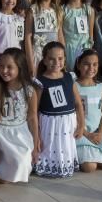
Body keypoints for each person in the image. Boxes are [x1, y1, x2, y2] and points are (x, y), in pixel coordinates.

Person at [0, 47, 38, 183]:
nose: (4, 71)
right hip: (0, 134)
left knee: (22, 161)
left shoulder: (29, 90)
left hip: (20, 133)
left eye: (10, 67)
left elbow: (32, 117)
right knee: (2, 176)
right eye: (1, 66)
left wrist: (36, 140)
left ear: (20, 67)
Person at [33, 42, 83, 178]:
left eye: (60, 58)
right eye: (51, 59)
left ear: (65, 59)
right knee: (49, 146)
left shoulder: (69, 77)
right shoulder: (40, 81)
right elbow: (34, 110)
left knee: (65, 146)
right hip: (49, 123)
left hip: (67, 122)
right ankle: (47, 166)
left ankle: (64, 165)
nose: (56, 62)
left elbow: (78, 103)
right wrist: (36, 136)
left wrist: (81, 125)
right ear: (44, 60)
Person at [73, 50, 102, 172]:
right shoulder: (74, 86)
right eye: (86, 64)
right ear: (78, 65)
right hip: (82, 132)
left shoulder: (100, 86)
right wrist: (87, 134)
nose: (91, 68)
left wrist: (101, 132)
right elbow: (72, 115)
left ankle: (96, 152)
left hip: (98, 133)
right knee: (90, 167)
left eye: (95, 64)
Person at [26, 0, 64, 72]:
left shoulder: (57, 10)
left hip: (55, 56)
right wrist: (30, 64)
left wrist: (63, 57)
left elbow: (60, 36)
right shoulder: (33, 9)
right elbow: (28, 37)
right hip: (38, 55)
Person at [62, 0, 94, 70]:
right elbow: (60, 34)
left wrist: (89, 50)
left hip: (84, 48)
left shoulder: (89, 10)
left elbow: (90, 34)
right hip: (69, 50)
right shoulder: (62, 10)